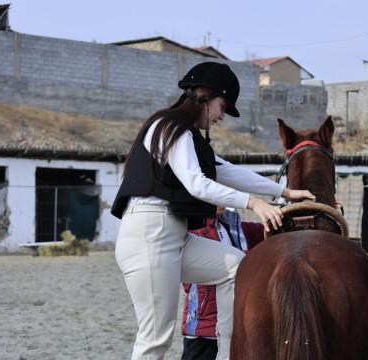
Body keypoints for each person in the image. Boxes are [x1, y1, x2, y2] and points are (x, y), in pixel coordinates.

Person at [110, 61, 315, 360]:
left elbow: (226, 171)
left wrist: (284, 192)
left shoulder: (187, 136)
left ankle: (226, 355)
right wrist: (253, 203)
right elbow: (197, 185)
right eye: (222, 106)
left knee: (236, 267)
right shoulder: (170, 127)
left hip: (174, 235)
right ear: (204, 95)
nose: (221, 116)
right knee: (155, 337)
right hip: (149, 234)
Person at [181, 206, 264, 360]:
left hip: (236, 327)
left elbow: (270, 232)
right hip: (203, 330)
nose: (222, 200)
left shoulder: (236, 228)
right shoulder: (193, 230)